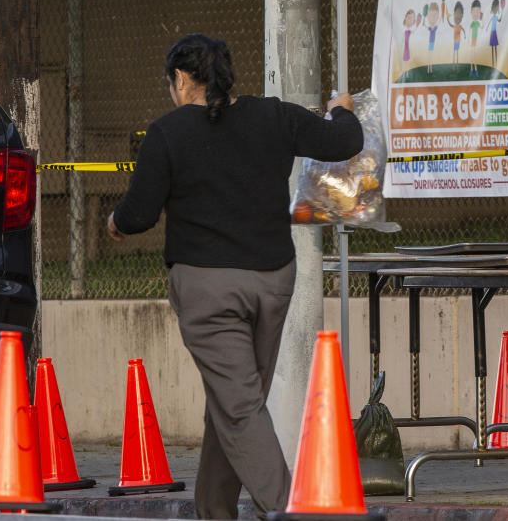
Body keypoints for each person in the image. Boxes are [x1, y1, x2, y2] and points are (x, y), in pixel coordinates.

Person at [107, 33, 364, 518]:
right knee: (234, 402)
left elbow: (138, 214)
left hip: (208, 289)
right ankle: (214, 511)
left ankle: (296, 510)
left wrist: (113, 222)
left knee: (240, 407)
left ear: (182, 80)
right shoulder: (273, 115)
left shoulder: (167, 132)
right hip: (272, 282)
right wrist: (341, 108)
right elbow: (344, 140)